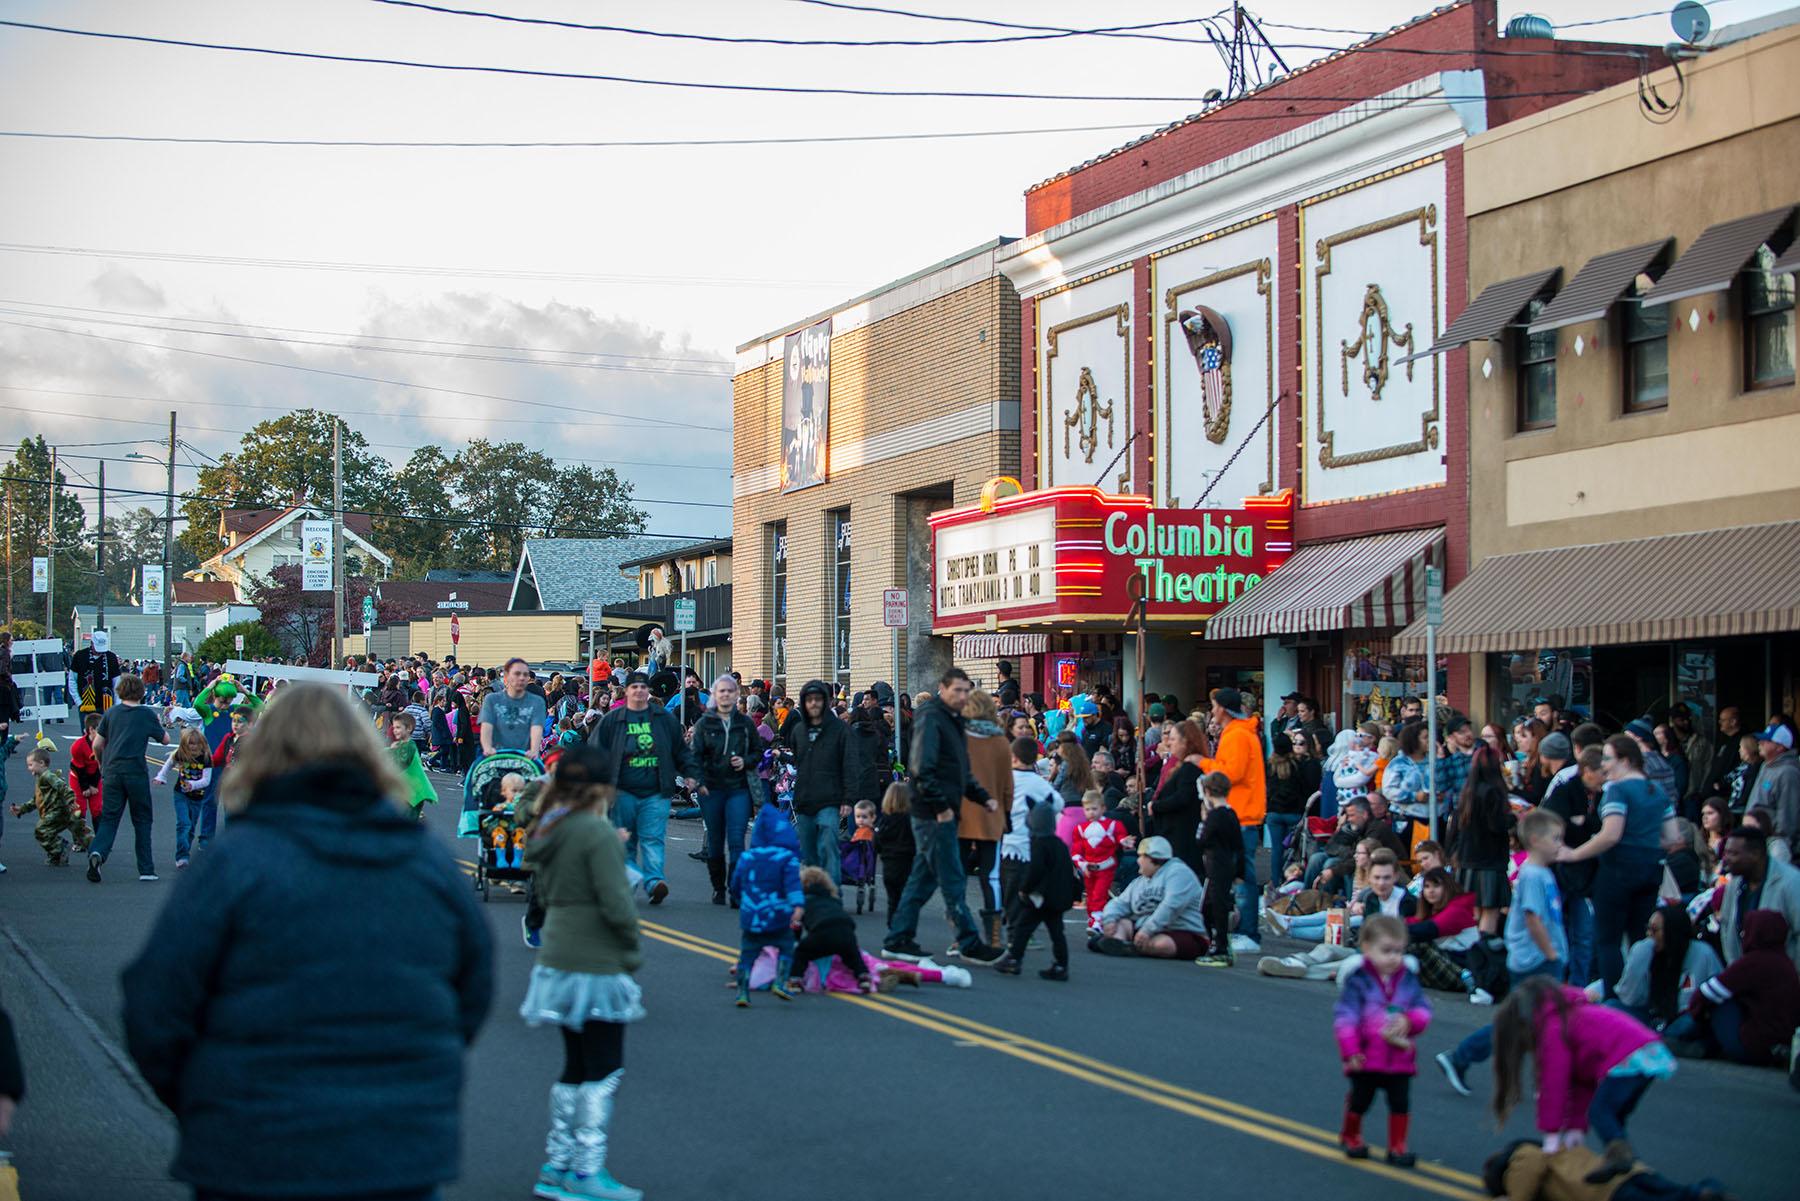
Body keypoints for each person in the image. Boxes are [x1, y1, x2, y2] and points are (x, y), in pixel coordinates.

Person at [121, 683, 493, 1201]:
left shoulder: (234, 863)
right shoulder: (425, 863)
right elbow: (472, 991)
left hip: (252, 1142)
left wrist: (204, 1099)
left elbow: (155, 1001)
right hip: (395, 1145)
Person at [518, 743, 645, 1201]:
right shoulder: (593, 832)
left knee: (574, 1063)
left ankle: (557, 1162)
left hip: (557, 955)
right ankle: (587, 1170)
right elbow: (616, 904)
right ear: (601, 790)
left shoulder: (549, 828)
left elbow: (547, 897)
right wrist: (630, 951)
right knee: (605, 1067)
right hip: (595, 958)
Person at [1490, 976, 1673, 1184]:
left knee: (1600, 1112)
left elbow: (1553, 1085)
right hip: (1647, 1051)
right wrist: (1575, 1129)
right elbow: (1581, 1084)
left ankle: (1622, 1160)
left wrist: (1551, 1137)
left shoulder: (1554, 1028)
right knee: (1614, 1119)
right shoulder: (1572, 1014)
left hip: (1628, 1055)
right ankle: (1633, 1170)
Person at [1438, 808, 1570, 1095]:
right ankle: (1463, 1057)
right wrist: (1551, 954)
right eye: (1556, 838)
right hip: (1536, 960)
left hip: (1539, 958)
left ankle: (1465, 1059)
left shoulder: (1541, 873)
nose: (1560, 844)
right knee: (1534, 1021)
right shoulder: (1533, 875)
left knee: (1531, 1022)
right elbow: (1533, 917)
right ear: (1535, 840)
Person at [882, 668, 1004, 965]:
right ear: (943, 689)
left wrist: (982, 796)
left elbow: (958, 769)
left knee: (922, 880)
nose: (963, 696)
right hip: (932, 814)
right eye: (957, 690)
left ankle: (898, 938)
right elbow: (923, 767)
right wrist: (940, 806)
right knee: (951, 878)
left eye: (967, 691)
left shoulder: (953, 719)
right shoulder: (931, 717)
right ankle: (969, 942)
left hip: (943, 809)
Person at [1557, 735, 1680, 997]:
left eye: (1608, 759)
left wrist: (1574, 854)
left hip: (1618, 870)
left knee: (1608, 941)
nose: (1604, 766)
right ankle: (1641, 997)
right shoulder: (1656, 791)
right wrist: (1643, 840)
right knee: (1639, 939)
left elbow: (1611, 834)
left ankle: (1614, 1001)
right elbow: (1672, 838)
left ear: (1625, 760)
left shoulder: (1618, 790)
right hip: (1651, 869)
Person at [1333, 914, 1431, 1167]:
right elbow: (1346, 1019)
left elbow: (1422, 1009)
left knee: (1400, 1102)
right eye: (1386, 951)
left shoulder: (1407, 979)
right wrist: (1351, 1050)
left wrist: (1410, 1021)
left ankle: (1398, 1145)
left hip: (1399, 1057)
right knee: (1361, 1099)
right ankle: (1351, 1134)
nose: (1394, 957)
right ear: (1366, 948)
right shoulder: (1359, 982)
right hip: (1366, 1057)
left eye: (1399, 951)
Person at [588, 671, 691, 906]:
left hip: (656, 790)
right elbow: (595, 752)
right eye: (634, 687)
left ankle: (655, 882)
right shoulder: (613, 720)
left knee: (653, 839)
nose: (639, 691)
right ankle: (628, 883)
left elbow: (681, 750)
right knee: (625, 841)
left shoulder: (663, 719)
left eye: (643, 688)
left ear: (648, 692)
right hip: (622, 791)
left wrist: (691, 774)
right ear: (626, 691)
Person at [1664, 909, 1800, 1067]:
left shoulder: (1754, 962)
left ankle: (1669, 1038)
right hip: (1777, 1046)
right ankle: (1702, 1046)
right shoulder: (1786, 964)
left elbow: (1706, 993)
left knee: (1720, 1002)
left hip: (1752, 1047)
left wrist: (1695, 1013)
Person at [1197, 687, 1267, 955]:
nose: (1212, 712)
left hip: (1242, 812)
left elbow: (1232, 774)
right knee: (1239, 874)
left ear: (1223, 709)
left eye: (1214, 706)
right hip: (1242, 811)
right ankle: (1244, 930)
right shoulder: (1239, 732)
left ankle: (1248, 932)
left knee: (1241, 875)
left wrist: (1205, 764)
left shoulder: (1237, 734)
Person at [86, 673, 170, 884]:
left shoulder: (111, 713)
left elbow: (97, 744)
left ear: (120, 691)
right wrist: (158, 724)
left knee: (110, 818)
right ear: (141, 692)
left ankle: (98, 852)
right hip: (136, 771)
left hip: (113, 770)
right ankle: (146, 869)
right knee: (142, 819)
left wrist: (101, 763)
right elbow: (166, 740)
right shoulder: (146, 714)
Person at [689, 675, 764, 907]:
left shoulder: (745, 723)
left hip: (738, 788)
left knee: (737, 840)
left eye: (730, 691)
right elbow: (694, 756)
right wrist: (698, 780)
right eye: (721, 691)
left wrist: (746, 761)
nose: (725, 695)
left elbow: (758, 751)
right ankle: (718, 887)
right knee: (715, 840)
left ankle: (736, 887)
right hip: (711, 789)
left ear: (736, 695)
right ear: (714, 694)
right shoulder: (705, 723)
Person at [1481, 1137, 1731, 1201]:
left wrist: (1514, 1197)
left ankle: (1704, 1193)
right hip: (1630, 1172)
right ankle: (1710, 1189)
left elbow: (1530, 1165)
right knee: (1680, 1193)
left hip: (1604, 1192)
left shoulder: (1522, 1154)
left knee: (1675, 1199)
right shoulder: (1555, 1148)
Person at [1090, 835, 1210, 959]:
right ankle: (1119, 943)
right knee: (1121, 923)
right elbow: (1119, 903)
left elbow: (1171, 907)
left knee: (1162, 944)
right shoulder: (1140, 881)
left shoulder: (1179, 873)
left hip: (1181, 930)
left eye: (1141, 856)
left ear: (1154, 859)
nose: (1138, 861)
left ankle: (1124, 945)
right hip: (1144, 930)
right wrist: (1109, 920)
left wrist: (1147, 930)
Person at [732, 806, 805, 1007]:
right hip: (779, 917)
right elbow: (793, 885)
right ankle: (780, 983)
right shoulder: (787, 858)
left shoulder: (747, 857)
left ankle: (742, 992)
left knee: (747, 956)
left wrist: (741, 901)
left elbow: (736, 884)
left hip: (751, 917)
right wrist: (798, 906)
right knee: (786, 948)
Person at [994, 801, 1074, 981]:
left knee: (1023, 927)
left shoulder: (1039, 844)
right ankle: (1062, 965)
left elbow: (1035, 870)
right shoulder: (1059, 844)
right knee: (1056, 932)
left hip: (1041, 897)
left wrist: (1024, 889)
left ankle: (1014, 959)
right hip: (1057, 897)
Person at [786, 679, 855, 885]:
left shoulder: (840, 730)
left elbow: (850, 765)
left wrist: (848, 799)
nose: (814, 704)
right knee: (808, 852)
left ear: (825, 702)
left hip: (831, 799)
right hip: (805, 798)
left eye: (818, 699)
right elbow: (798, 760)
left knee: (828, 845)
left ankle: (832, 894)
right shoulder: (799, 730)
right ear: (804, 703)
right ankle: (813, 895)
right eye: (809, 700)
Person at [1614, 905, 1720, 1029]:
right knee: (1611, 1006)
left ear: (1672, 931)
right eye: (1648, 929)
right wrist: (1640, 952)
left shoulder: (1703, 953)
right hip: (1651, 1018)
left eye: (1654, 930)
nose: (1649, 935)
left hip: (1686, 1020)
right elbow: (1629, 999)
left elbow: (1715, 998)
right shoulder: (1647, 952)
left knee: (1687, 1024)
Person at [959, 689, 1012, 934]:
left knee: (957, 876)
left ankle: (961, 934)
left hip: (962, 813)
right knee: (990, 876)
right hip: (992, 814)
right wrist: (1007, 813)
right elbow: (1007, 785)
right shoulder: (1001, 741)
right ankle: (994, 933)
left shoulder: (960, 738)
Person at [1715, 825, 1800, 968]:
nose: (1726, 860)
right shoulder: (1734, 884)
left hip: (1783, 981)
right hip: (1745, 977)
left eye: (1733, 854)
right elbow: (1726, 926)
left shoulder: (1791, 882)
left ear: (1755, 854)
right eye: (1726, 853)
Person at [1456, 744, 1516, 935]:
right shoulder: (1493, 791)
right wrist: (1514, 818)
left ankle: (1475, 952)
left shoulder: (1468, 792)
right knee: (1490, 911)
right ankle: (1485, 954)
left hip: (1468, 859)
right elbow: (1496, 825)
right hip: (1490, 860)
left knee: (1475, 912)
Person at [788, 867, 877, 994]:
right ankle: (863, 977)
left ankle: (795, 979)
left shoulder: (803, 902)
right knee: (852, 956)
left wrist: (795, 939)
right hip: (846, 929)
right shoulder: (833, 899)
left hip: (822, 930)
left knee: (802, 953)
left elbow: (796, 924)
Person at [1194, 771, 1246, 967]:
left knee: (1211, 907)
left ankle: (1219, 945)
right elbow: (1239, 845)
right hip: (1227, 865)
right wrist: (1240, 872)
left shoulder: (1214, 816)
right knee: (1218, 905)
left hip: (1215, 866)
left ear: (1207, 791)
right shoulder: (1231, 814)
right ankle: (1220, 942)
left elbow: (1202, 840)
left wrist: (1203, 819)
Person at [12, 746, 91, 865]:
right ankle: (62, 853)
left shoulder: (47, 776)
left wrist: (71, 800)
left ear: (41, 763)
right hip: (57, 811)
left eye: (30, 765)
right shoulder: (40, 778)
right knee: (79, 832)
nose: (29, 768)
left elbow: (62, 786)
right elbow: (37, 799)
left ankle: (60, 849)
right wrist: (22, 809)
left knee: (41, 830)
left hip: (58, 811)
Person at [1147, 719, 1206, 875]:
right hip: (1177, 832)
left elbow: (1182, 797)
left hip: (1181, 834)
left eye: (1173, 739)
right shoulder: (1182, 765)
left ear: (1185, 742)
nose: (1169, 743)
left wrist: (1156, 806)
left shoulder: (1190, 768)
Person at [1070, 788, 1130, 934]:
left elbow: (1121, 836)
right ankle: (1094, 922)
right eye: (1087, 809)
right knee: (1091, 897)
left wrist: (1125, 842)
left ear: (1103, 808)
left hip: (1106, 866)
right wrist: (1082, 864)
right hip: (1089, 869)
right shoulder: (1080, 828)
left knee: (1099, 895)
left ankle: (1097, 922)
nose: (1091, 812)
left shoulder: (1112, 825)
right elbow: (1076, 851)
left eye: (1094, 809)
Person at [155, 727, 214, 868]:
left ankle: (185, 849)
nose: (193, 748)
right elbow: (168, 765)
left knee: (191, 827)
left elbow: (206, 780)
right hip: (180, 794)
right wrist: (161, 777)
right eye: (190, 744)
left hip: (197, 797)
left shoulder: (206, 758)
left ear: (202, 744)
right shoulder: (180, 754)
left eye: (196, 744)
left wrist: (192, 785)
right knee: (184, 824)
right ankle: (182, 856)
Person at [1267, 729, 1320, 880]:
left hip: (1274, 812)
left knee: (1276, 849)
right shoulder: (1298, 765)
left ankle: (1276, 881)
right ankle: (1291, 879)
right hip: (1293, 812)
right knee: (1295, 848)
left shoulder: (1270, 765)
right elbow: (1305, 788)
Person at [480, 658, 548, 759]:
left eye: (525, 675)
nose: (521, 678)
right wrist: (487, 747)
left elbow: (537, 728)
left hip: (525, 757)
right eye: (517, 674)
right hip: (498, 755)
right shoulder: (492, 700)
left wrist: (533, 750)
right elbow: (486, 727)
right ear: (507, 677)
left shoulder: (537, 702)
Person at [1752, 720, 1799, 857]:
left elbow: (1788, 814)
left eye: (1766, 741)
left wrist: (1781, 842)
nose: (1760, 743)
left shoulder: (1788, 772)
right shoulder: (1766, 766)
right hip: (1758, 839)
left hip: (1775, 843)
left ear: (1780, 747)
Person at [874, 780, 917, 924]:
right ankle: (903, 929)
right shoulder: (911, 821)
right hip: (906, 863)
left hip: (889, 864)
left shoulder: (885, 820)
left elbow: (877, 841)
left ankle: (892, 926)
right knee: (906, 899)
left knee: (892, 900)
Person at [387, 712, 437, 822]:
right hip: (407, 790)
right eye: (394, 727)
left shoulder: (410, 745)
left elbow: (403, 762)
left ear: (409, 728)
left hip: (414, 789)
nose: (395, 730)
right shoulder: (400, 745)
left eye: (398, 727)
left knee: (407, 820)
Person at [67, 711, 104, 826]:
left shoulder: (104, 744)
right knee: (79, 809)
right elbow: (79, 767)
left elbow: (101, 766)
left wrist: (93, 785)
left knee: (97, 808)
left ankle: (100, 840)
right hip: (78, 777)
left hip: (95, 776)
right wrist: (85, 787)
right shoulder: (78, 746)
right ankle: (79, 841)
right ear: (91, 730)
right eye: (101, 730)